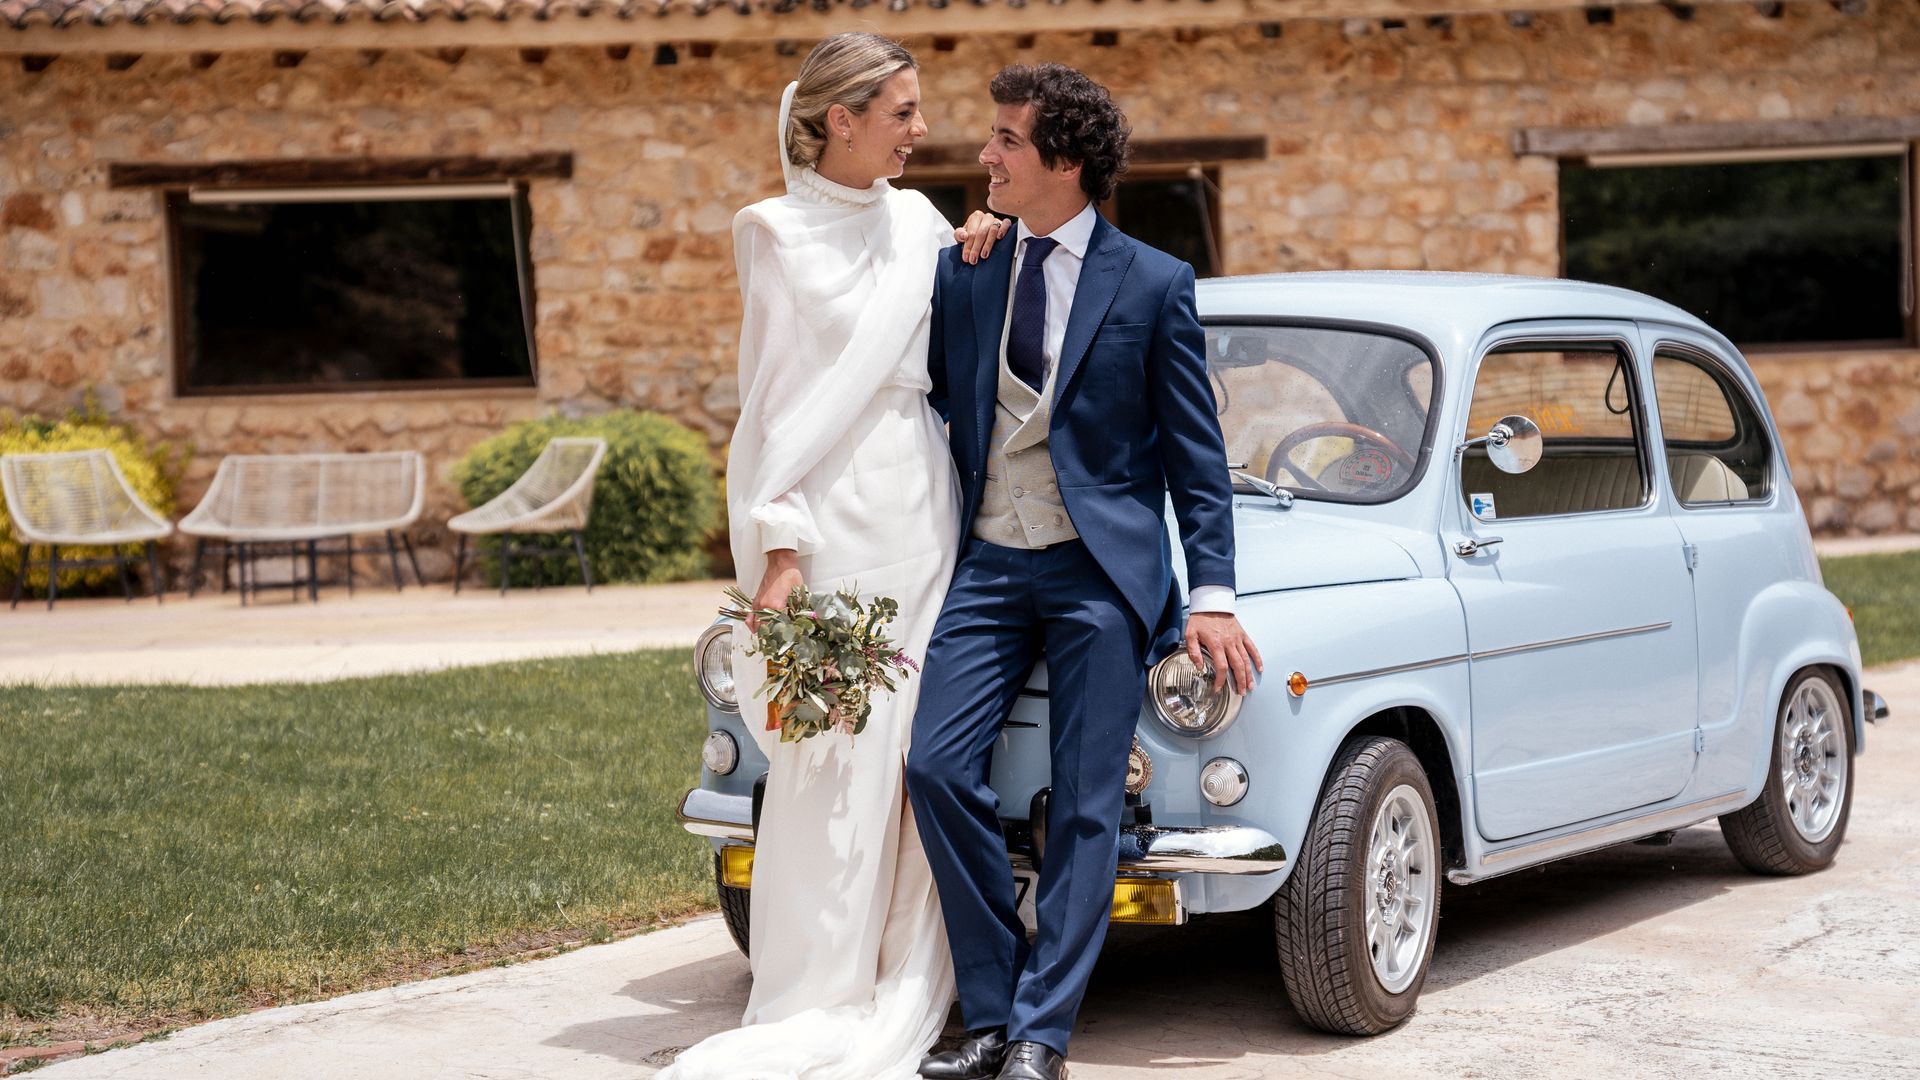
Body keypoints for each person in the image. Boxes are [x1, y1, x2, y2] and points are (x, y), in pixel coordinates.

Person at [906, 64, 1263, 1080]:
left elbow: (1196, 461)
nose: (985, 155)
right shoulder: (966, 268)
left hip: (1098, 576)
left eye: (1005, 140)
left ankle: (1040, 1036)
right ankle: (993, 1002)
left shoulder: (1153, 283)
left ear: (1062, 161)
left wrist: (1213, 597)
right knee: (933, 767)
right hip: (989, 564)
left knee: (1088, 802)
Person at [660, 32, 1003, 1080]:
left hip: (925, 502)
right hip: (835, 517)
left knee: (912, 757)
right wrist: (780, 547)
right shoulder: (769, 232)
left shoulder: (921, 220)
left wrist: (991, 237)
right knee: (830, 751)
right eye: (901, 111)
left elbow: (962, 326)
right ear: (839, 118)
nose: (922, 130)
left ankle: (916, 967)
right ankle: (820, 985)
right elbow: (773, 406)